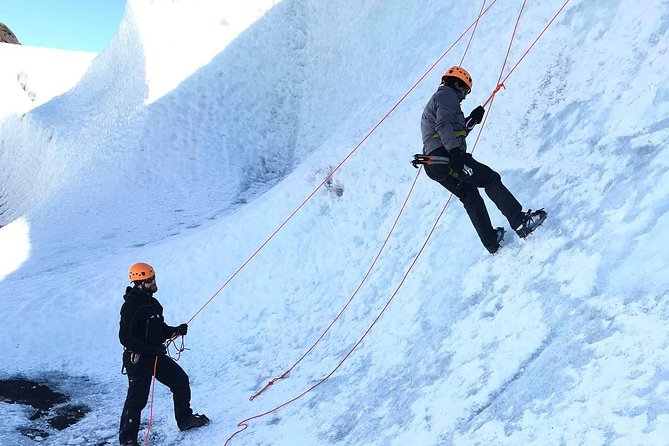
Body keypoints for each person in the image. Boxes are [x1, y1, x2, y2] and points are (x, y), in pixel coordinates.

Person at [417, 65, 546, 254]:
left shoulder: (442, 99)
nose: (464, 96)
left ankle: (491, 242)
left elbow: (452, 132)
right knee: (489, 178)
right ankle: (520, 223)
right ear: (457, 84)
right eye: (465, 91)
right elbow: (443, 125)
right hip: (445, 157)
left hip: (434, 164)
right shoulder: (446, 96)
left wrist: (472, 121)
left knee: (470, 197)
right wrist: (455, 153)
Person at [119, 262, 208, 446]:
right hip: (138, 359)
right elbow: (125, 338)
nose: (153, 282)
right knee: (137, 400)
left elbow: (159, 329)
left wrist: (176, 330)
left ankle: (185, 420)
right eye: (149, 280)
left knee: (180, 380)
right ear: (139, 282)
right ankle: (127, 441)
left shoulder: (153, 303)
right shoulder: (131, 306)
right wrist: (152, 350)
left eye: (153, 278)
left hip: (155, 356)